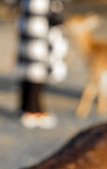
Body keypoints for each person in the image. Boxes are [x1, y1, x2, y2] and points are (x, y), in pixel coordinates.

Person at [16, 0, 68, 129]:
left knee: (30, 68)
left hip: (31, 27)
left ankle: (27, 107)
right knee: (37, 70)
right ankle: (33, 111)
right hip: (39, 30)